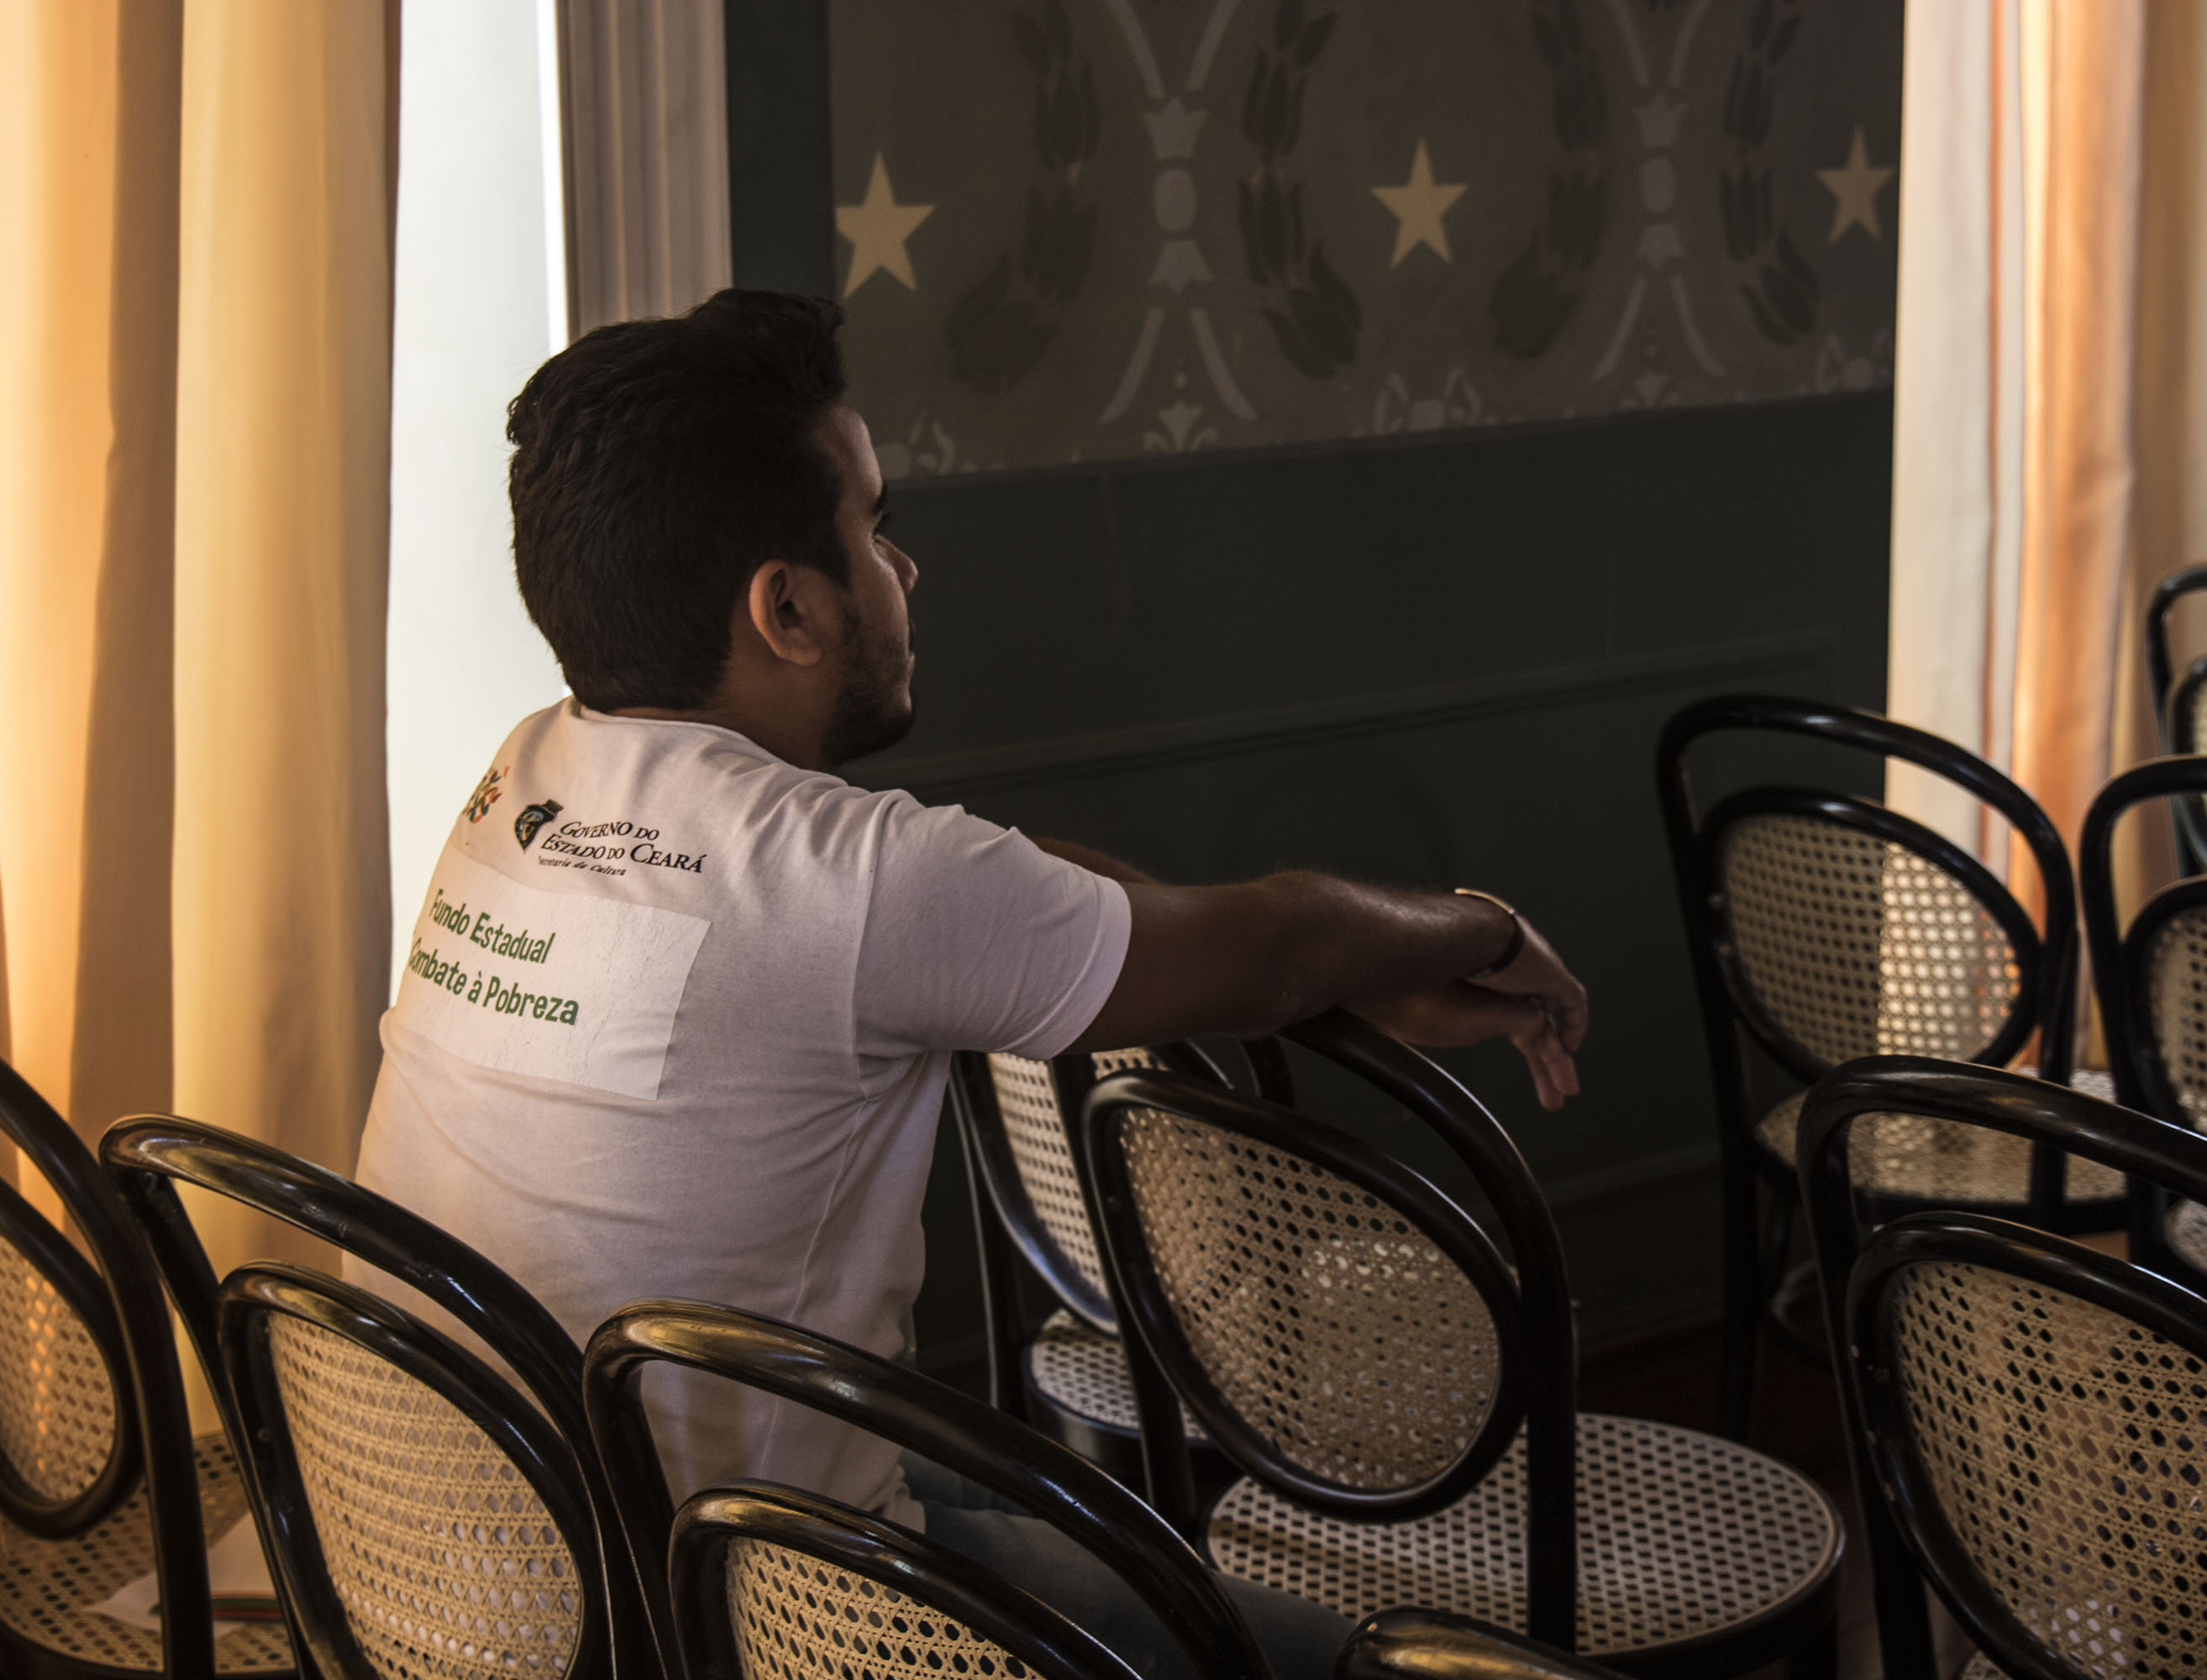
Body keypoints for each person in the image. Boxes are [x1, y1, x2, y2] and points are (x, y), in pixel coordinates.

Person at [352, 289, 1589, 1678]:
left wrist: (1325, 976)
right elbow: (1276, 947)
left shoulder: (525, 777)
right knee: (1370, 1668)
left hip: (443, 1571)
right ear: (789, 609)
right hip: (728, 1616)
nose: (906, 569)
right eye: (874, 528)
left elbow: (1021, 897)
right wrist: (1477, 930)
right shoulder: (858, 883)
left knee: (1057, 1520)